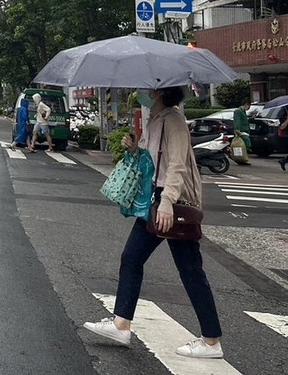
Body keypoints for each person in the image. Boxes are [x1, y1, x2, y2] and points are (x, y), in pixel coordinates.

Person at [83, 86, 223, 360]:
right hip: (156, 200)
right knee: (132, 258)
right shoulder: (156, 120)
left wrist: (169, 201)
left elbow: (178, 166)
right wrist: (136, 149)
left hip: (172, 202)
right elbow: (154, 164)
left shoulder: (174, 120)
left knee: (191, 270)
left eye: (147, 88)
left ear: (159, 92)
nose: (141, 92)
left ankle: (211, 341)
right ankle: (121, 324)